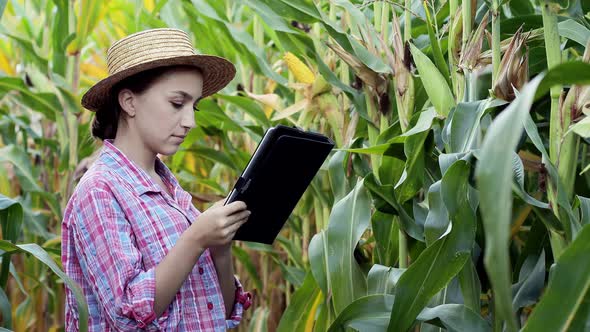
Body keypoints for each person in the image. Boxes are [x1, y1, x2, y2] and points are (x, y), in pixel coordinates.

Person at [61, 28, 253, 331]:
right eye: (177, 103)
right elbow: (126, 314)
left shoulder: (172, 193)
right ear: (129, 102)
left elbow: (223, 314)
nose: (190, 121)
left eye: (195, 106)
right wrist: (195, 238)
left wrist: (220, 247)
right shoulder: (100, 192)